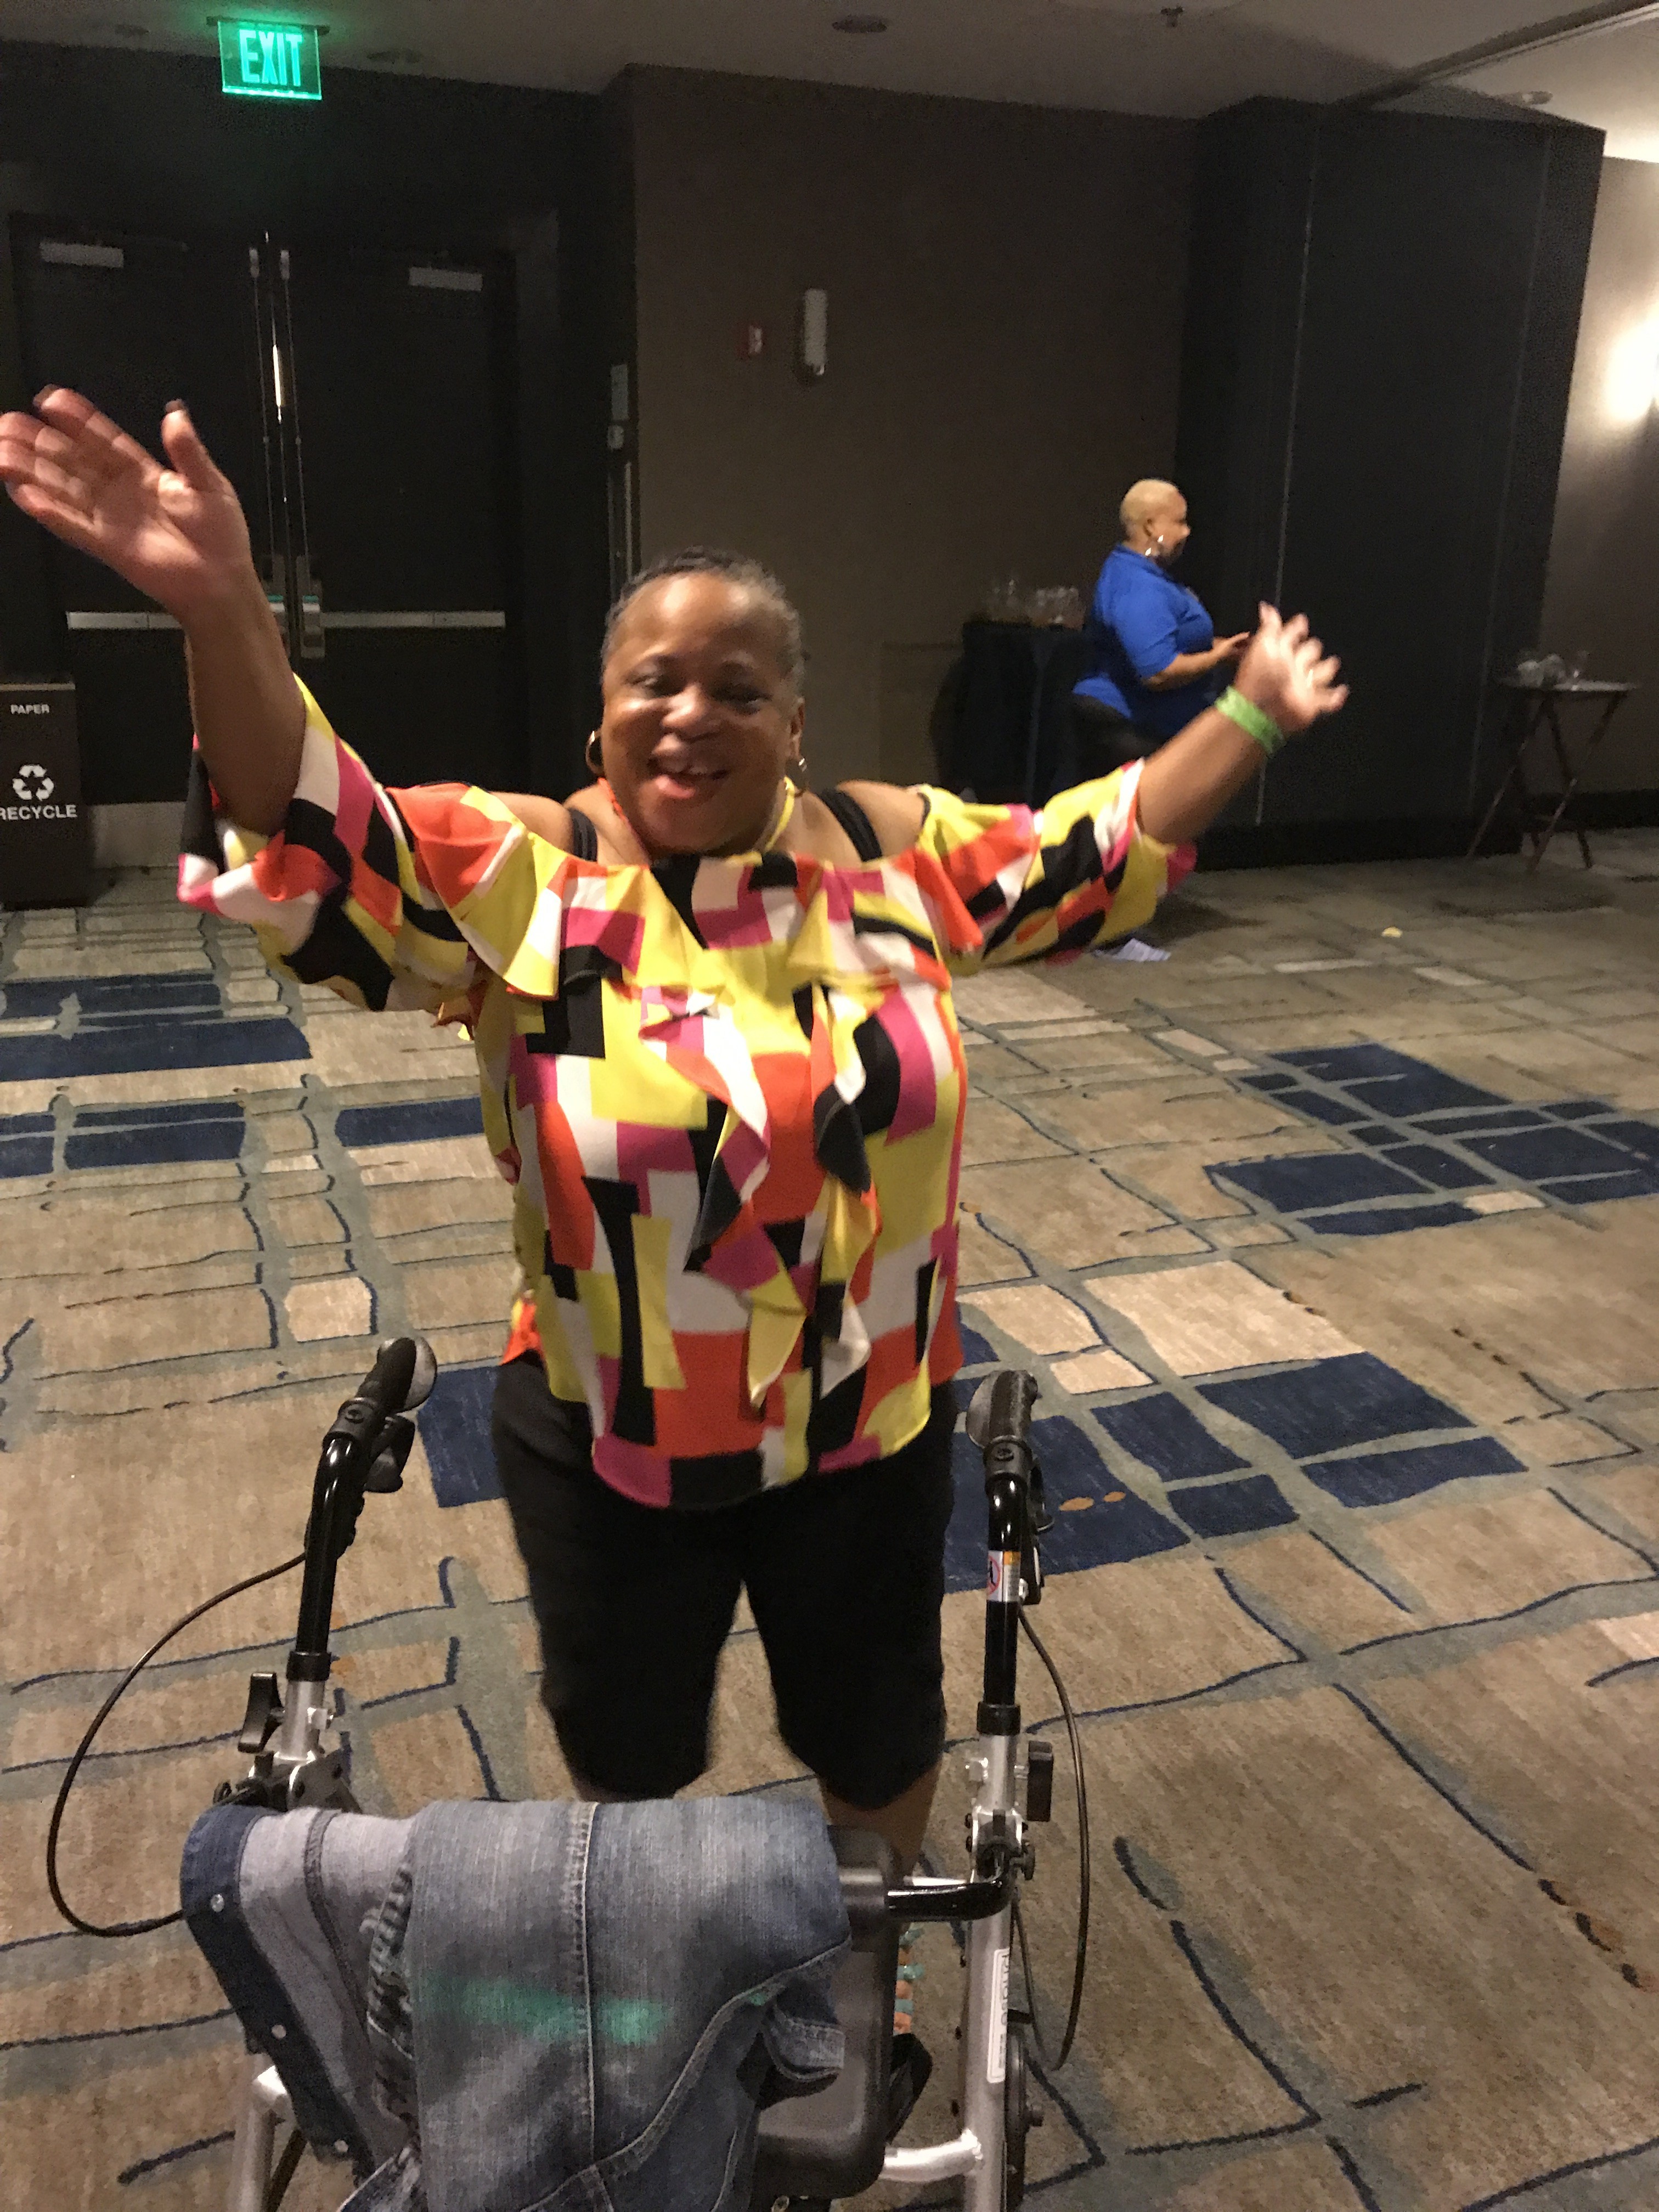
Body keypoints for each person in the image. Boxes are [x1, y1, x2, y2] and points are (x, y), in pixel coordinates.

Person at [0, 387, 1346, 2101]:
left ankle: (868, 1980)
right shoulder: (534, 878)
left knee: (873, 1730)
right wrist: (223, 615)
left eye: (736, 686)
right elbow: (319, 829)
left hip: (867, 1418)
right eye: (655, 680)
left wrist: (1255, 705)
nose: (691, 713)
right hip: (613, 1429)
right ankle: (648, 1973)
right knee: (629, 1756)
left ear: (794, 719)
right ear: (602, 715)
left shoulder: (889, 857)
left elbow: (1108, 843)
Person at [1072, 477, 1251, 774]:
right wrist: (1217, 657)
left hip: (1152, 727)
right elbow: (1158, 672)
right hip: (1132, 732)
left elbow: (1173, 640)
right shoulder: (1138, 585)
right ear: (1151, 526)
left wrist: (1227, 648)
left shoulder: (1145, 574)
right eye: (1179, 522)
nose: (1187, 532)